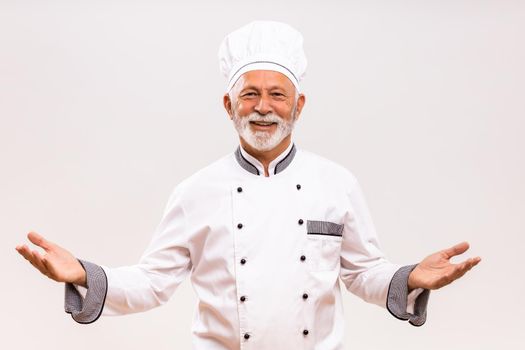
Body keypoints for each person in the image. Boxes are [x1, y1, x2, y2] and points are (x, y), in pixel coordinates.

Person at [16, 21, 481, 349]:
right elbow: (154, 281)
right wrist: (83, 274)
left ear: (299, 105)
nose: (263, 107)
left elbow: (361, 272)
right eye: (249, 94)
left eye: (277, 94)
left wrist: (409, 278)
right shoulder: (196, 191)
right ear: (228, 104)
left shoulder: (336, 183)